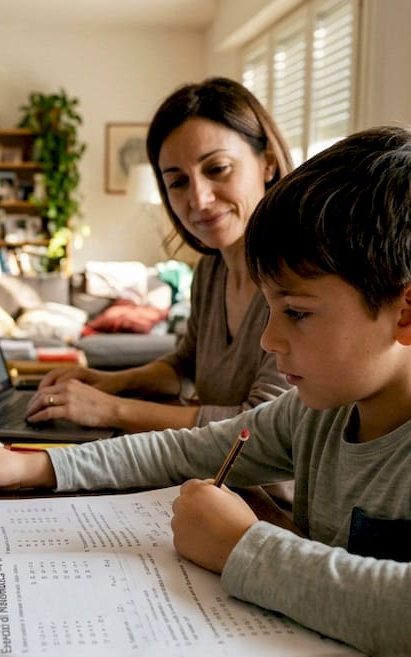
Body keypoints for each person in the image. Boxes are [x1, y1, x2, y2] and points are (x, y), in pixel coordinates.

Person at [0, 125, 411, 657]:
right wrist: (34, 465)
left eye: (297, 313)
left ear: (410, 312)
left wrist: (242, 546)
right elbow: (184, 451)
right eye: (268, 307)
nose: (270, 340)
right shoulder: (326, 411)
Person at [26, 77, 292, 433]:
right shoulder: (212, 270)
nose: (198, 199)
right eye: (178, 182)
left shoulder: (300, 279)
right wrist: (109, 382)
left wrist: (110, 410)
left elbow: (262, 429)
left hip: (262, 489)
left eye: (217, 169)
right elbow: (185, 366)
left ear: (268, 164)